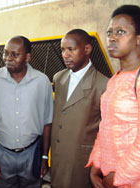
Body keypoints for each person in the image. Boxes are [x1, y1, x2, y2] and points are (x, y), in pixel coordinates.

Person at [86, 5, 140, 188]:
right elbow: (106, 126)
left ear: (139, 39)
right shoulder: (116, 78)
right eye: (109, 32)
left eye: (121, 32)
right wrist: (96, 162)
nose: (112, 37)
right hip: (112, 176)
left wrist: (118, 177)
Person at [0, 36, 53, 188]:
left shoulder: (42, 82)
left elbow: (47, 122)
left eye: (15, 54)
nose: (8, 58)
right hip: (1, 154)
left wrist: (44, 157)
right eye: (6, 53)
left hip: (32, 153)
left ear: (27, 57)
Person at [50, 29, 108, 188]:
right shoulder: (59, 78)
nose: (65, 55)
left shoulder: (103, 85)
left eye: (71, 49)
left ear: (87, 49)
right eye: (62, 50)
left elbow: (106, 132)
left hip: (82, 162)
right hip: (58, 158)